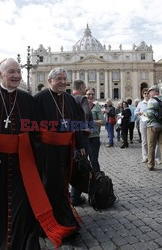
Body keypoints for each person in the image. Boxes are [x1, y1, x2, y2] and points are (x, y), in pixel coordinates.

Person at [0, 58, 68, 249]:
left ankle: (23, 243)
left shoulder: (27, 99)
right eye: (11, 72)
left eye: (18, 71)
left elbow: (35, 131)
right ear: (0, 74)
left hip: (21, 165)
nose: (16, 75)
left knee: (22, 207)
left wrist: (47, 152)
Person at [34, 67, 86, 237]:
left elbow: (76, 123)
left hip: (65, 150)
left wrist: (80, 143)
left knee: (63, 183)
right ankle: (49, 220)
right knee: (49, 184)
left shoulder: (69, 99)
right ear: (50, 81)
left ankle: (64, 215)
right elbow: (31, 125)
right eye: (59, 79)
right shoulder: (40, 98)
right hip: (46, 152)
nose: (63, 82)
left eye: (65, 79)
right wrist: (37, 146)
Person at [70, 80, 92, 206]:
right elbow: (87, 113)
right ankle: (75, 196)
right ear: (82, 87)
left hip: (68, 137)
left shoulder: (68, 98)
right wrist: (87, 126)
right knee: (80, 166)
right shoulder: (82, 98)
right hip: (80, 138)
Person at [135, 88, 161, 163]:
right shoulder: (140, 103)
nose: (146, 95)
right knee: (144, 140)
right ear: (143, 95)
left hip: (153, 123)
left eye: (147, 93)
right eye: (144, 93)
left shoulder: (154, 101)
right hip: (143, 122)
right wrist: (139, 113)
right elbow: (135, 112)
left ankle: (157, 157)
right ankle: (145, 156)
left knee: (155, 141)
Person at [86, 87, 104, 172]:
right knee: (82, 161)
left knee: (93, 160)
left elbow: (103, 121)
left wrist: (92, 122)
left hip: (94, 137)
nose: (90, 96)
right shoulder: (79, 106)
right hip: (83, 138)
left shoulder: (96, 107)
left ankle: (97, 179)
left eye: (92, 94)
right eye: (89, 94)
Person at [146, 85, 162, 171]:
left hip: (153, 126)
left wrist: (145, 115)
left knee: (151, 146)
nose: (149, 94)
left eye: (150, 92)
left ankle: (150, 164)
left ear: (155, 92)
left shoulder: (151, 101)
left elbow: (149, 114)